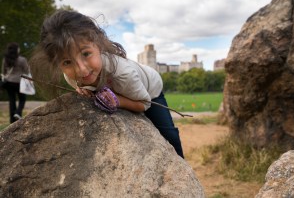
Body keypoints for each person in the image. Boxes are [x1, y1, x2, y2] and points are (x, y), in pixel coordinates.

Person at [30, 10, 184, 158]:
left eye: (86, 54)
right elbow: (84, 85)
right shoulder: (70, 76)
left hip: (151, 90)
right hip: (125, 88)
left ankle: (181, 162)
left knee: (168, 133)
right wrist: (83, 89)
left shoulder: (122, 73)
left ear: (98, 44)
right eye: (67, 62)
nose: (81, 70)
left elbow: (144, 103)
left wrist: (118, 100)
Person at [1, 42, 30, 123]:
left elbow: (3, 71)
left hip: (8, 82)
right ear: (16, 50)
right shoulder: (22, 59)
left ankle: (12, 120)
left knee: (12, 100)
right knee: (22, 99)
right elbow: (27, 71)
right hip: (19, 82)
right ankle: (18, 113)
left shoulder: (5, 59)